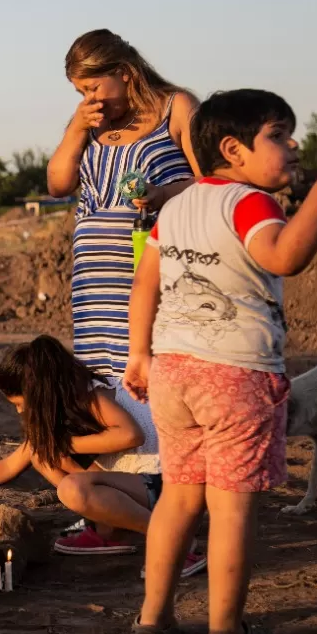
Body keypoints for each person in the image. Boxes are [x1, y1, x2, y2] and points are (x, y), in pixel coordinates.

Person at [123, 89, 317, 634]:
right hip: (236, 377)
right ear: (233, 149)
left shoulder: (175, 207)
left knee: (179, 499)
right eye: (278, 135)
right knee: (231, 509)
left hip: (173, 375)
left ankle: (152, 618)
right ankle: (226, 633)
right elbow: (284, 258)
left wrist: (139, 356)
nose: (294, 145)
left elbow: (145, 284)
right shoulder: (251, 203)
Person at [0, 336, 205, 575]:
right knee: (41, 454)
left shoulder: (93, 395)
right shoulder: (64, 407)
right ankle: (112, 531)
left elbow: (131, 435)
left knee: (71, 487)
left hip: (173, 482)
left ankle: (174, 540)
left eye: (21, 403)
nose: (19, 412)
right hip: (141, 483)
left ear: (41, 393)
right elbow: (8, 466)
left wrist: (65, 445)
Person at [47, 29, 201, 385]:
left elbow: (211, 182)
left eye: (93, 87)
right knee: (101, 383)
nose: (89, 99)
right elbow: (57, 185)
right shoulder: (89, 122)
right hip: (94, 285)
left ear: (125, 73)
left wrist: (161, 194)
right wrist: (76, 130)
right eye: (80, 92)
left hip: (151, 272)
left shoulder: (175, 107)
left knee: (152, 372)